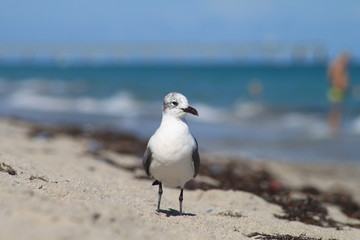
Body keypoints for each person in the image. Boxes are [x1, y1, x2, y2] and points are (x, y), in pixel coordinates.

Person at [327, 53, 350, 134]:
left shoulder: (333, 65)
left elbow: (329, 77)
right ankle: (336, 127)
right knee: (337, 109)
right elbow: (342, 81)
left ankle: (332, 126)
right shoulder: (340, 67)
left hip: (333, 89)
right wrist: (344, 86)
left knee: (334, 109)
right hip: (338, 90)